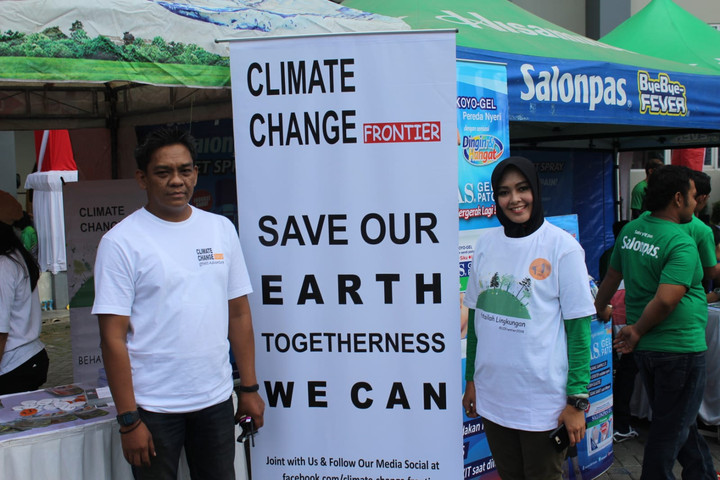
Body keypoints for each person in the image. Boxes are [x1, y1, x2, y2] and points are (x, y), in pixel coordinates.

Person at [92, 127, 265, 479]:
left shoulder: (220, 229)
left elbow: (238, 314)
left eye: (185, 170)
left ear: (195, 174)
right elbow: (112, 338)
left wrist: (248, 388)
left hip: (215, 400)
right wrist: (129, 420)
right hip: (152, 408)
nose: (176, 181)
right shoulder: (120, 242)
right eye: (163, 172)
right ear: (142, 178)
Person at [462, 157, 594, 480]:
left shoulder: (563, 248)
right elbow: (476, 322)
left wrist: (577, 402)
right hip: (493, 399)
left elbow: (579, 331)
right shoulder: (486, 245)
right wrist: (471, 380)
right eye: (504, 192)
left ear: (535, 189)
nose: (514, 199)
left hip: (543, 407)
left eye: (522, 188)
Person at [595, 165, 716, 480]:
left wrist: (599, 307)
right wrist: (636, 330)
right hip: (678, 347)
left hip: (649, 348)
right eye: (693, 196)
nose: (696, 203)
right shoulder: (680, 241)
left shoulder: (632, 229)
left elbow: (612, 275)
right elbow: (665, 300)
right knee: (670, 427)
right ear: (678, 198)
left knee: (678, 420)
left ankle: (702, 474)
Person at [0, 190, 49, 395]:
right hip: (26, 357)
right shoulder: (15, 256)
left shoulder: (4, 265)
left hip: (14, 363)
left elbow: (1, 332)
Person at [630, 155, 664, 219]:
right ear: (650, 171)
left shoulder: (661, 187)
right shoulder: (640, 188)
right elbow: (636, 212)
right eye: (660, 171)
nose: (662, 174)